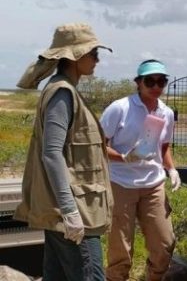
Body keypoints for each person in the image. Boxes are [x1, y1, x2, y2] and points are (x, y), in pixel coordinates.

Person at [14, 22, 114, 281]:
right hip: (74, 213)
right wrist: (70, 211)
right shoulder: (62, 93)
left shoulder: (66, 90)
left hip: (67, 212)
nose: (97, 59)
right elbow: (51, 153)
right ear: (75, 55)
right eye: (93, 53)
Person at [99, 59, 181, 281]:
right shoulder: (120, 108)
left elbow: (163, 146)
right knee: (120, 247)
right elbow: (97, 145)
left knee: (164, 243)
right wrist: (123, 158)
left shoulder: (166, 113)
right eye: (150, 81)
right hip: (120, 183)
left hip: (153, 183)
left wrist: (171, 169)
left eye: (161, 81)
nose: (156, 86)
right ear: (138, 82)